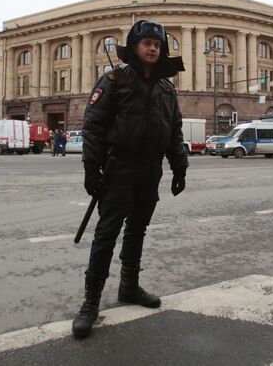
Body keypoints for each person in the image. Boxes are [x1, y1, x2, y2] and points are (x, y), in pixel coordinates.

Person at [72, 20, 188, 338]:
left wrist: (180, 168)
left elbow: (174, 131)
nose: (153, 48)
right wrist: (90, 169)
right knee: (106, 234)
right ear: (134, 46)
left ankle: (129, 287)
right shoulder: (113, 80)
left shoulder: (167, 88)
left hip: (150, 170)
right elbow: (94, 127)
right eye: (147, 42)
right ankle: (90, 303)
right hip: (118, 169)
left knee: (137, 229)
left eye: (158, 44)